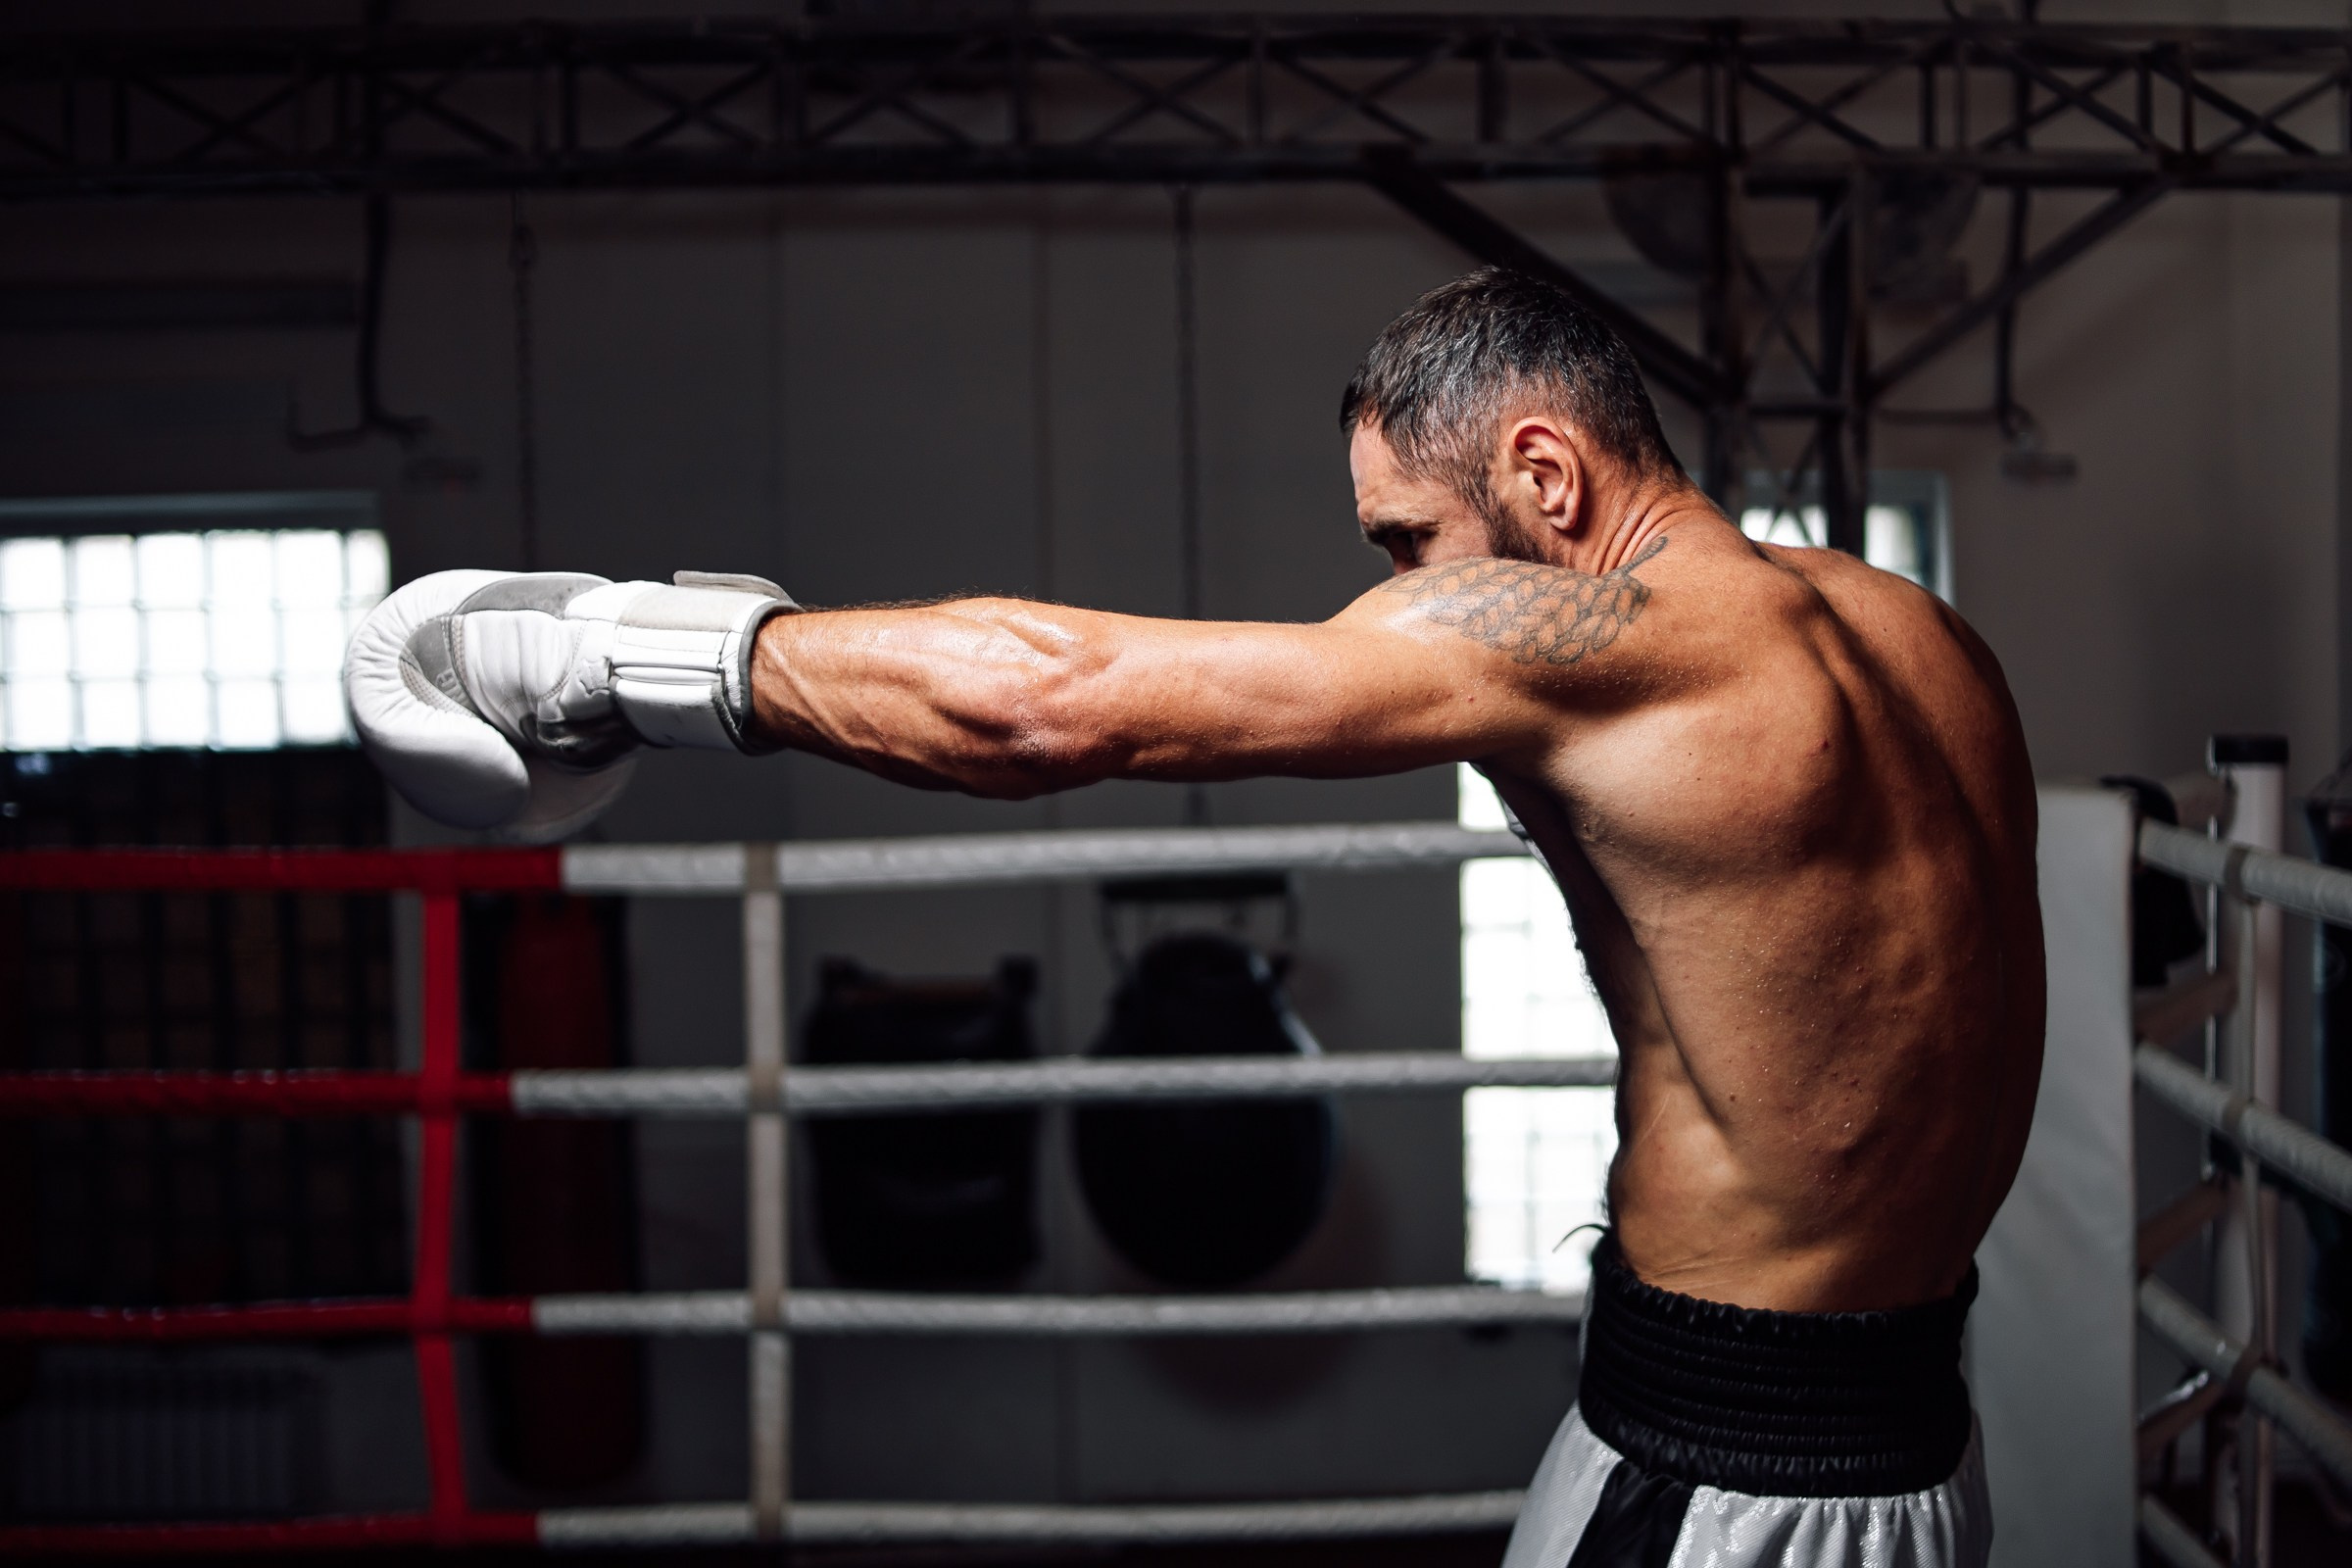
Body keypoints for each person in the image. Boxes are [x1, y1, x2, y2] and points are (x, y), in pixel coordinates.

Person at [346, 266, 2041, 1567]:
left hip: (1723, 1476)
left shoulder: (1625, 653)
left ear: (1547, 473)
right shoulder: (1924, 640)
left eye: (1409, 543)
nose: (1397, 597)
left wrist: (619, 655)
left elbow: (1053, 702)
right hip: (1917, 1447)